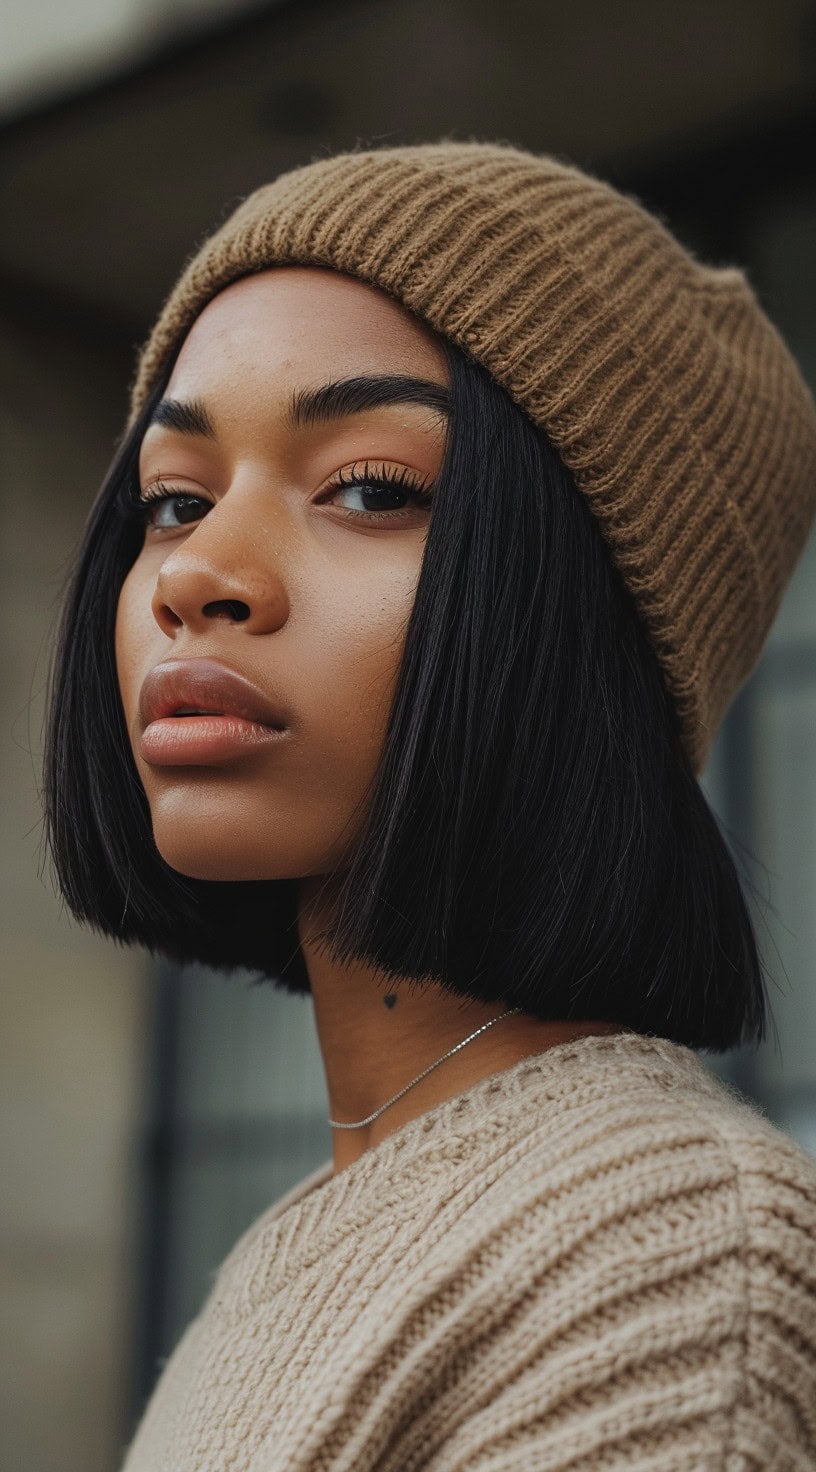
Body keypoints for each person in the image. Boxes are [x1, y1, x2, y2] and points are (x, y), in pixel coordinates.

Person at [44, 140, 816, 1469]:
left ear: (581, 618)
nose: (198, 574)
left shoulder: (673, 1264)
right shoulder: (291, 1244)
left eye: (367, 489)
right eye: (175, 501)